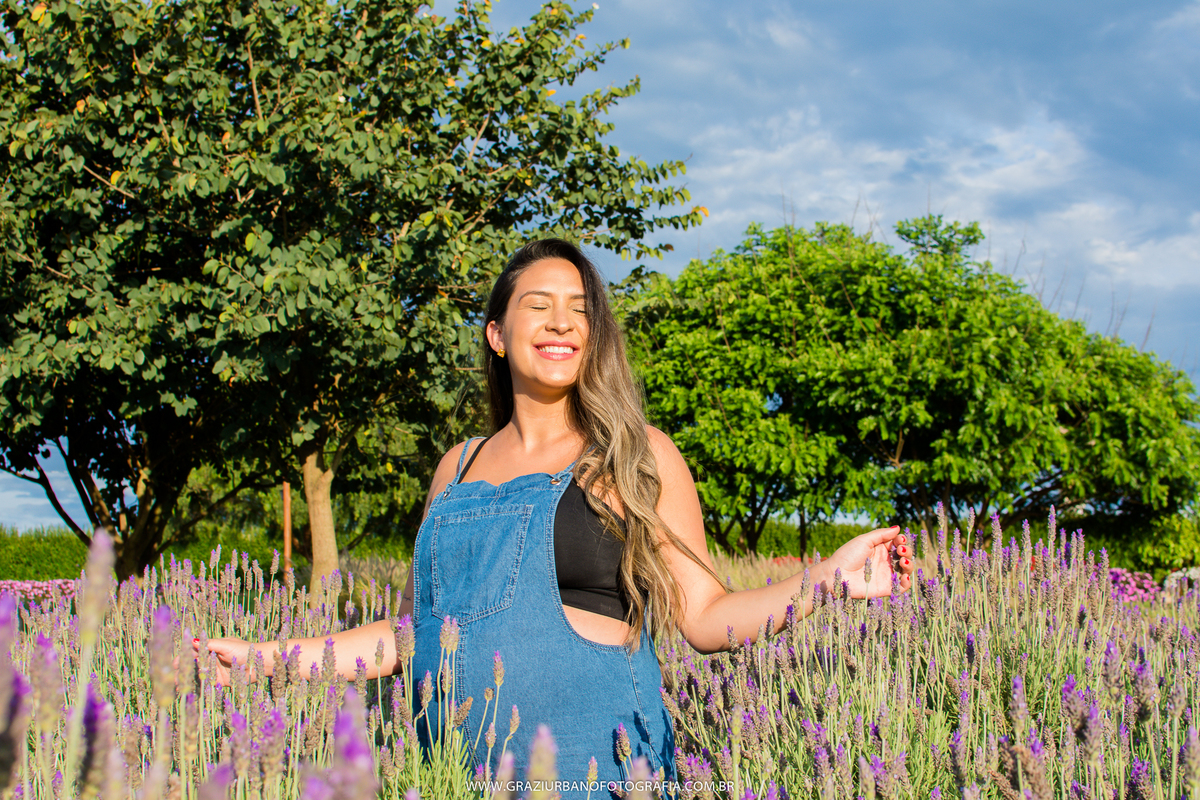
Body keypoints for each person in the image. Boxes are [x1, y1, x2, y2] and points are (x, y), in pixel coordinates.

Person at [202, 239, 916, 791]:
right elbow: (416, 635)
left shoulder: (637, 456)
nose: (561, 321)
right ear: (496, 333)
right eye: (539, 304)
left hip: (596, 773)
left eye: (579, 308)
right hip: (459, 780)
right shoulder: (456, 466)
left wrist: (829, 578)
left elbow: (706, 617)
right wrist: (266, 659)